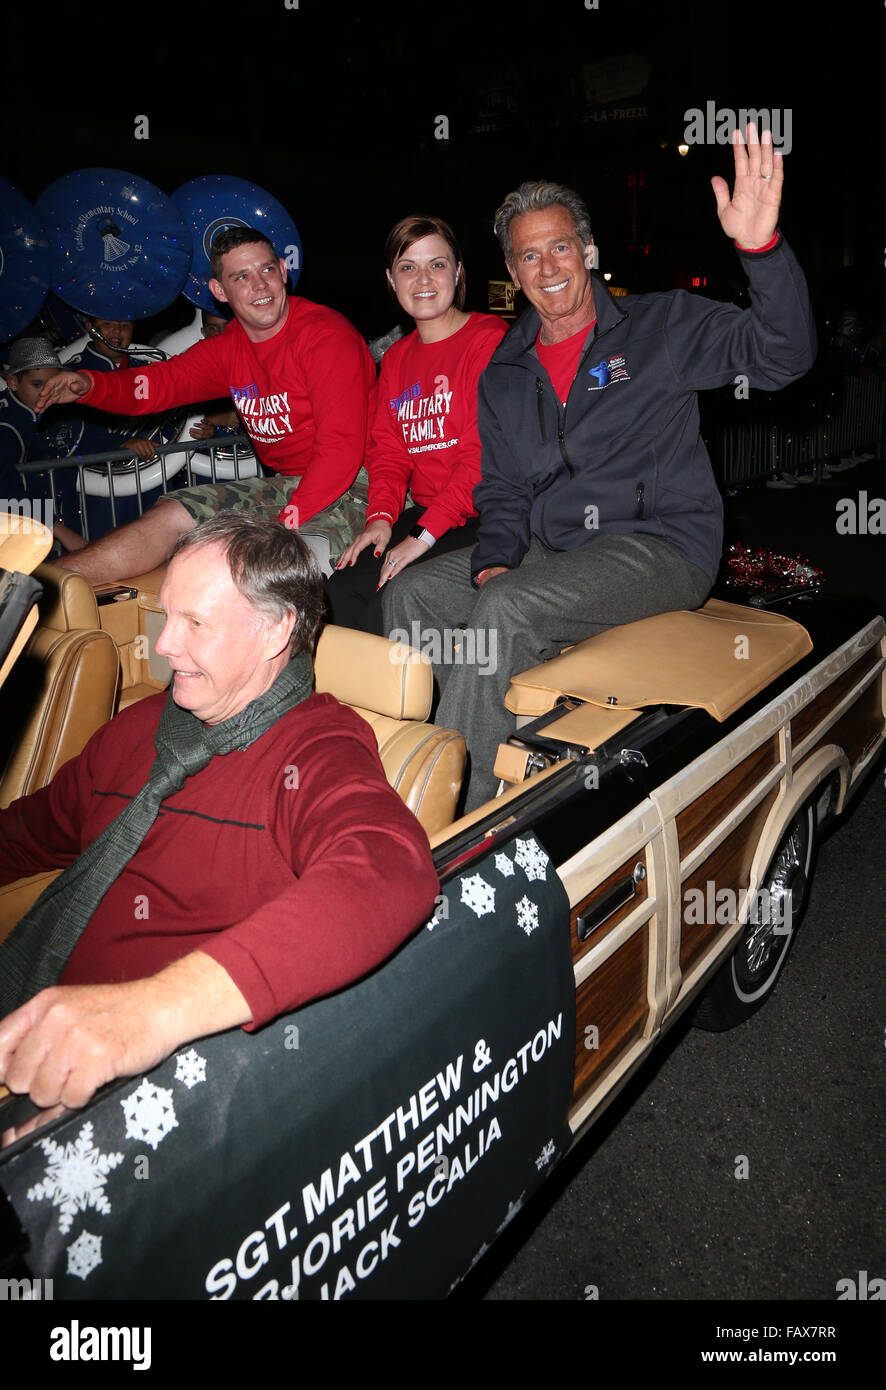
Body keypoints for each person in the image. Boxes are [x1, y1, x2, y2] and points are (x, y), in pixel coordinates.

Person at [384, 125, 818, 811]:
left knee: (504, 607)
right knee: (411, 595)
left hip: (661, 546)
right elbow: (500, 487)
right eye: (530, 255)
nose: (549, 267)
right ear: (513, 270)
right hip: (554, 545)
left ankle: (452, 821)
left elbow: (784, 353)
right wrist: (496, 554)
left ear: (588, 250)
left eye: (561, 246)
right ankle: (420, 767)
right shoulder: (504, 370)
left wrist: (760, 250)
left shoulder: (660, 327)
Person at [0, 512, 439, 1113]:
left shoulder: (314, 747)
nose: (163, 645)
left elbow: (388, 870)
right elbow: (30, 834)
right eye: (166, 615)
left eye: (195, 624)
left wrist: (150, 1012)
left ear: (276, 630)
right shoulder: (137, 729)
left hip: (138, 1088)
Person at [34, 227, 377, 585]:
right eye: (241, 276)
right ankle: (34, 590)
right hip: (289, 486)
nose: (260, 285)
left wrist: (280, 525)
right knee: (172, 512)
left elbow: (340, 451)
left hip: (357, 485)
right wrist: (90, 385)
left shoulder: (326, 337)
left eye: (267, 270)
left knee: (269, 570)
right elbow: (158, 385)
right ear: (219, 291)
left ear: (283, 271)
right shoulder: (229, 349)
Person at [326, 216, 506, 634]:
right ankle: (353, 701)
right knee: (342, 591)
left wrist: (420, 538)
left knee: (394, 596)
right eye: (408, 266)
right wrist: (382, 518)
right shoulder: (396, 358)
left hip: (486, 513)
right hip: (428, 512)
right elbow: (389, 452)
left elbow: (482, 457)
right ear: (391, 278)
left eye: (437, 264)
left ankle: (407, 699)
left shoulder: (489, 339)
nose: (423, 278)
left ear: (458, 271)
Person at [0, 337, 157, 552]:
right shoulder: (6, 425)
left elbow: (83, 443)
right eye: (37, 384)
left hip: (58, 522)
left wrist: (124, 443)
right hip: (20, 536)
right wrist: (61, 531)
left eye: (51, 383)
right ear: (13, 382)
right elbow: (6, 489)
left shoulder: (59, 409)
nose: (45, 391)